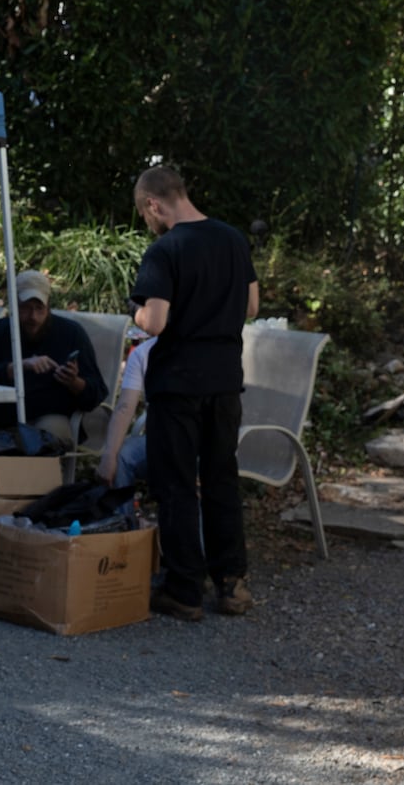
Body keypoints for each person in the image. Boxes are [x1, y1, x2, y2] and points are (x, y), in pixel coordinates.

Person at [130, 165, 259, 622]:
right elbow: (251, 306)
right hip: (225, 380)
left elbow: (156, 321)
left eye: (146, 213)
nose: (149, 221)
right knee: (222, 478)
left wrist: (138, 315)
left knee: (178, 483)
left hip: (178, 383)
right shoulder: (232, 239)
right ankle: (232, 584)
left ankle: (184, 589)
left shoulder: (164, 250)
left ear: (154, 204)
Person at [0, 270, 108, 444]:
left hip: (46, 416)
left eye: (39, 308)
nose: (33, 317)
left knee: (46, 439)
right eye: (25, 308)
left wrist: (74, 382)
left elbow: (97, 393)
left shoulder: (71, 333)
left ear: (48, 307)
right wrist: (16, 367)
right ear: (14, 306)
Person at [97, 336, 155, 499]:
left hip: (198, 442)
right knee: (121, 455)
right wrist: (109, 455)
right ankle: (125, 520)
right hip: (160, 441)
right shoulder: (143, 354)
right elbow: (125, 407)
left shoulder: (206, 347)